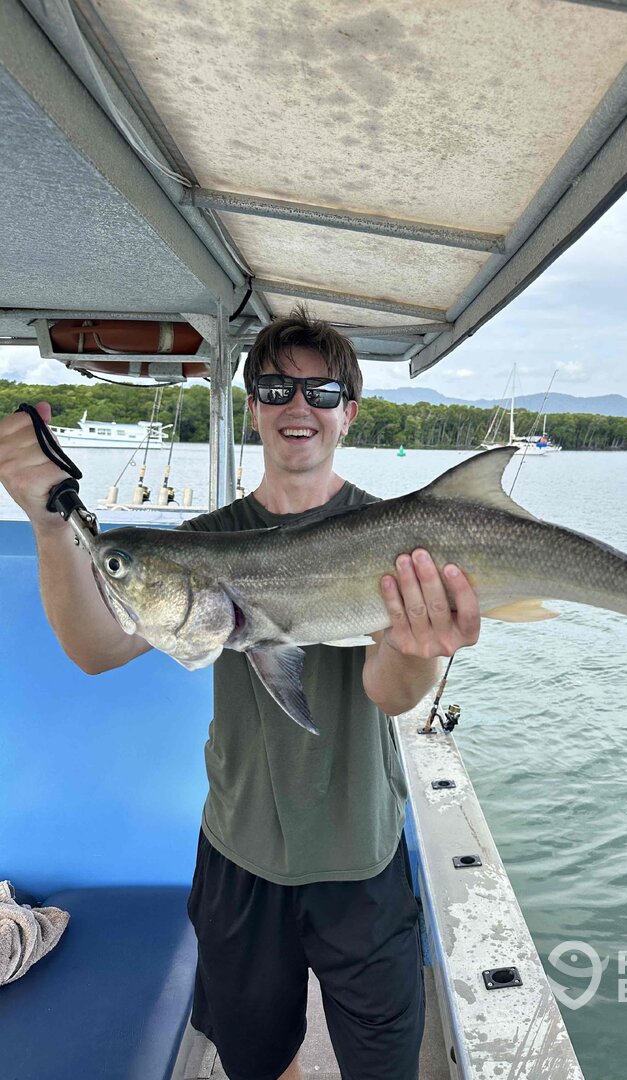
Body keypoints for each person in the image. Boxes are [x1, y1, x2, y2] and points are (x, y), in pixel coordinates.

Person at [0, 308, 482, 1080]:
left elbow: (391, 697)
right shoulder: (202, 544)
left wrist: (418, 647)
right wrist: (49, 525)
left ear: (350, 413)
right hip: (239, 853)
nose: (299, 405)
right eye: (277, 388)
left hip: (361, 855)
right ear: (253, 406)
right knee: (257, 1059)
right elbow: (96, 649)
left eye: (322, 392)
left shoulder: (398, 542)